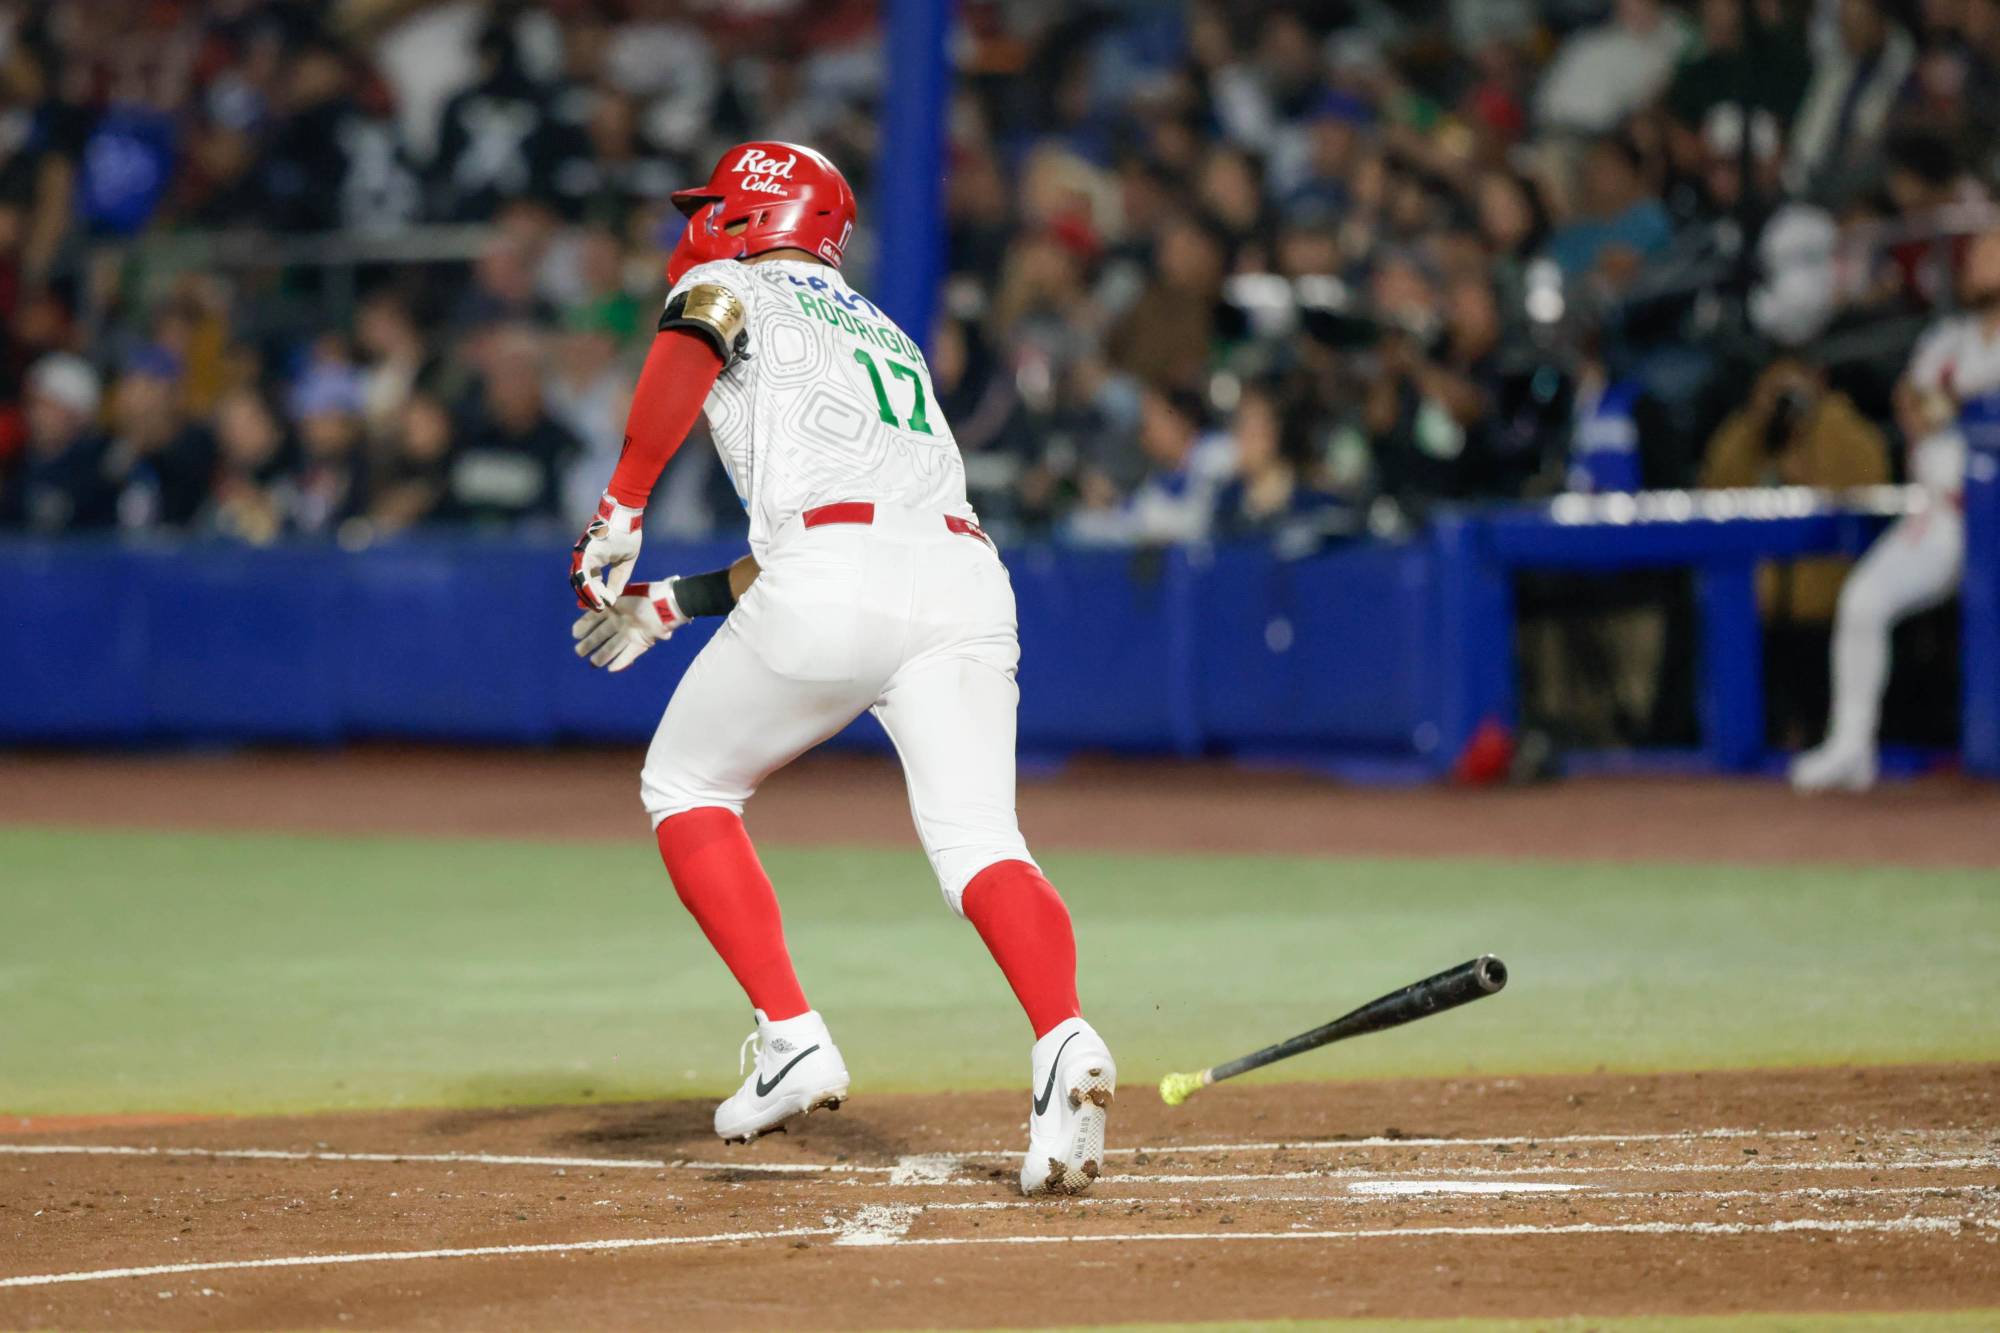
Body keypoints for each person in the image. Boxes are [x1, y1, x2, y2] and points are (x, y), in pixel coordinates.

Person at [566, 142, 1115, 1195]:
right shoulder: (886, 333)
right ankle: (1061, 1036)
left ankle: (789, 1034)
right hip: (963, 577)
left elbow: (690, 353)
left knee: (685, 784)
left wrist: (622, 504)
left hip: (831, 575)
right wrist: (673, 602)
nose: (697, 222)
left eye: (712, 205)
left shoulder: (727, 283)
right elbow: (834, 534)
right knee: (981, 843)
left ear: (749, 212)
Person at [1790, 229, 2000, 792]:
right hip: (1942, 519)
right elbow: (1916, 408)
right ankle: (1851, 745)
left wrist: (1957, 400)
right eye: (1977, 255)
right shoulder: (1947, 339)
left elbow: (1945, 404)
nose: (1981, 265)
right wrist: (1963, 399)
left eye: (1992, 253)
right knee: (1863, 600)